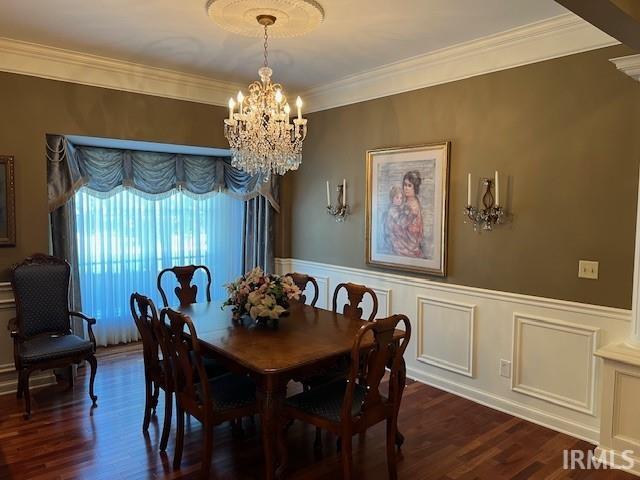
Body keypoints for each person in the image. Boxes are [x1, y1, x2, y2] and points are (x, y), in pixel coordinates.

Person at [386, 171, 424, 258]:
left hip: (408, 241)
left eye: (409, 186)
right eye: (405, 185)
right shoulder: (405, 200)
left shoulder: (413, 205)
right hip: (400, 237)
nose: (406, 188)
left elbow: (406, 225)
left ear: (415, 188)